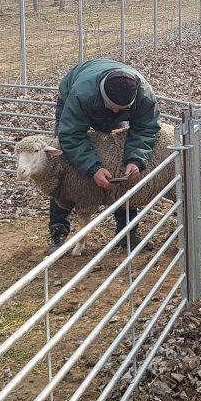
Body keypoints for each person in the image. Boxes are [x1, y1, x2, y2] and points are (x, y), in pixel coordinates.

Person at [47, 59, 161, 255]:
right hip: (76, 100)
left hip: (111, 103)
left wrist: (136, 160)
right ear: (102, 95)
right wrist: (94, 168)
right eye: (112, 106)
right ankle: (58, 232)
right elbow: (71, 135)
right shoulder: (82, 95)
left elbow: (146, 129)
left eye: (122, 108)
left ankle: (127, 232)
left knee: (120, 164)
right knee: (64, 165)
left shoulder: (143, 95)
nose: (116, 111)